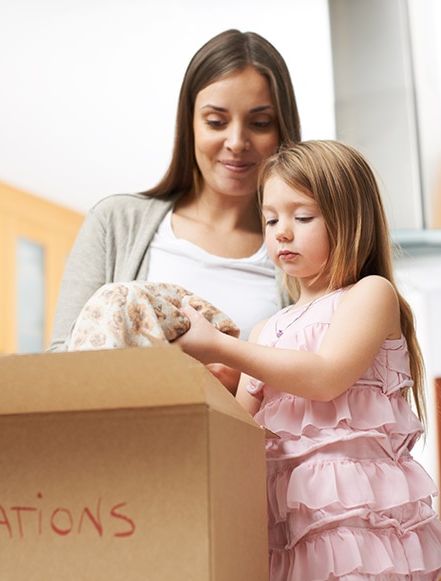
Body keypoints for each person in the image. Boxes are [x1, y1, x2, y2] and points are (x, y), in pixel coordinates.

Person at [175, 140, 441, 581]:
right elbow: (236, 433)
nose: (282, 232)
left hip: (360, 548)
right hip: (290, 546)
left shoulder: (370, 295)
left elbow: (325, 376)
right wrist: (190, 367)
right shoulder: (266, 331)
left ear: (349, 219)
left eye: (302, 217)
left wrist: (223, 346)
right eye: (270, 219)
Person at [48, 29, 300, 391]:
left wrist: (242, 382)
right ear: (190, 124)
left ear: (283, 130)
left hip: (247, 448)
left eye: (260, 123)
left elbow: (319, 390)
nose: (236, 142)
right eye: (216, 121)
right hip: (132, 445)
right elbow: (62, 357)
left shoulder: (302, 245)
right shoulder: (115, 222)